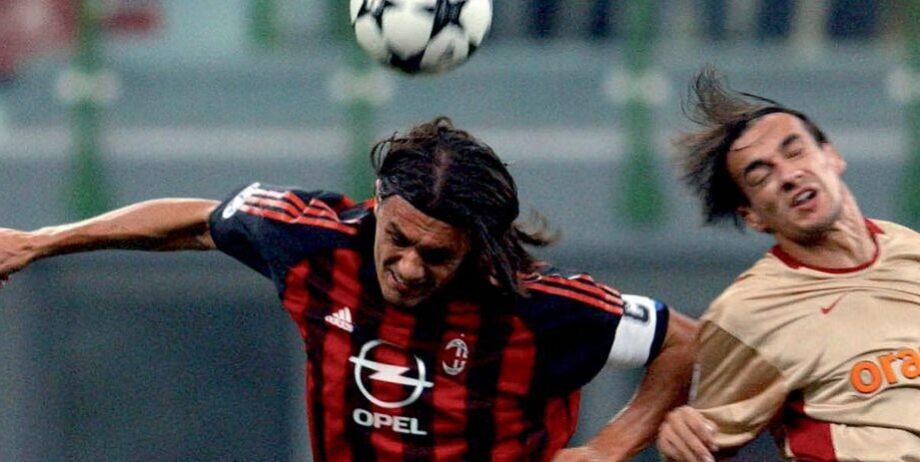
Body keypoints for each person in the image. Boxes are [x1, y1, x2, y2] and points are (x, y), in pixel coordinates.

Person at [0, 116, 695, 461]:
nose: (411, 268)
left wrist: (611, 447)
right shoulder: (309, 241)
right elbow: (195, 221)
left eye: (438, 255)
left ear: (474, 247)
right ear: (376, 205)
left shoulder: (532, 306)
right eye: (400, 240)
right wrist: (42, 241)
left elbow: (683, 340)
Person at [655, 68, 920, 461]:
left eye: (795, 152)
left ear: (832, 156)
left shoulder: (911, 251)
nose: (789, 175)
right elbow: (700, 441)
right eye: (761, 176)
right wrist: (681, 436)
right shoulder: (747, 313)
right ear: (752, 216)